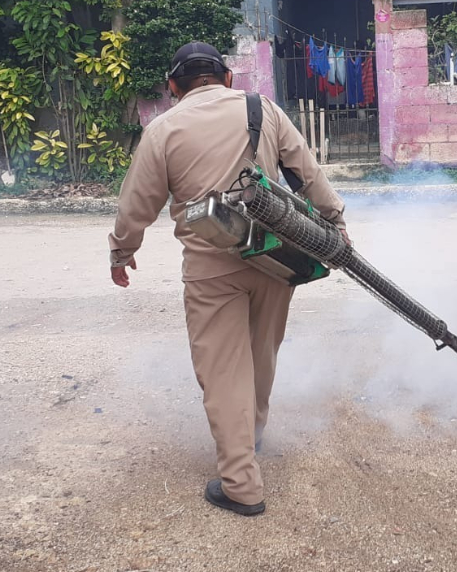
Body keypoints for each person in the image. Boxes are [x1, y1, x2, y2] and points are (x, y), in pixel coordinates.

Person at [108, 42, 348, 517]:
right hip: (277, 258)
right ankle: (250, 437)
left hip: (212, 267)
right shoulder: (265, 110)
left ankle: (240, 483)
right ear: (228, 78)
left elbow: (138, 202)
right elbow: (308, 173)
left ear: (173, 87)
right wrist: (335, 222)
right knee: (261, 356)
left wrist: (123, 250)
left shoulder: (163, 129)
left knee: (223, 371)